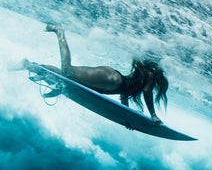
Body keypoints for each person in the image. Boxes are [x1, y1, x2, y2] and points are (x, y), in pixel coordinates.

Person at [39, 24, 168, 125]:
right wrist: (153, 115)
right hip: (111, 80)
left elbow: (124, 93)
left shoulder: (141, 78)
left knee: (67, 78)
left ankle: (34, 67)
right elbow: (147, 92)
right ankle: (59, 31)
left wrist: (128, 116)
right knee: (67, 71)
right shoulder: (152, 72)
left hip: (112, 83)